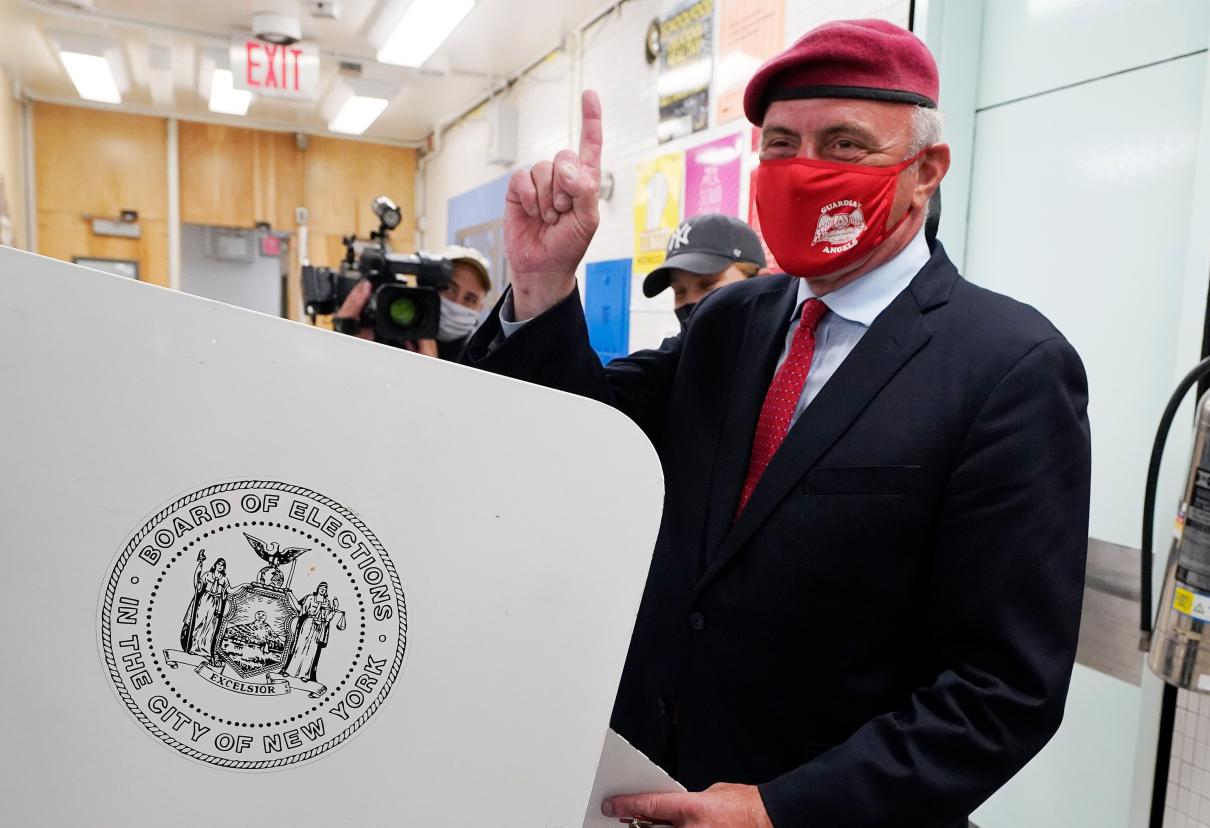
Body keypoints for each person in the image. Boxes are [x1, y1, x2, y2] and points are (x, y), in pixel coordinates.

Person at [463, 19, 1090, 828]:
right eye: (782, 144)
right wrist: (543, 284)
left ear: (925, 170)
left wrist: (781, 810)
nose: (804, 171)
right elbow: (582, 440)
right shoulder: (730, 321)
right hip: (644, 790)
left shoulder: (1008, 367)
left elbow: (1002, 692)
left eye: (844, 144)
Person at [332, 243, 491, 361]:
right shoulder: (389, 329)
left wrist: (433, 372)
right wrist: (345, 337)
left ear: (480, 307)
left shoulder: (481, 356)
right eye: (449, 288)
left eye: (470, 298)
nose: (457, 302)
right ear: (426, 287)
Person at [642, 213, 765, 331]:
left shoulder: (780, 349)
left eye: (708, 284)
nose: (691, 301)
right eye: (679, 291)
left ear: (761, 282)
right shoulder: (683, 350)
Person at [282, 582, 339, 682]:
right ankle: (290, 670)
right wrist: (291, 595)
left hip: (318, 627)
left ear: (326, 591)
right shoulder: (310, 598)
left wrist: (334, 609)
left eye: (325, 589)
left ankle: (305, 674)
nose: (322, 590)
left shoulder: (327, 602)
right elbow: (301, 611)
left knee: (312, 651)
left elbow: (328, 618)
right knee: (300, 647)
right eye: (321, 588)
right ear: (317, 588)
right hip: (308, 623)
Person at [179, 552, 230, 660]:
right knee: (199, 624)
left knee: (211, 627)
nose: (220, 567)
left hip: (216, 603)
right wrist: (200, 565)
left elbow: (227, 592)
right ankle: (194, 648)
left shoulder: (224, 579)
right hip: (205, 601)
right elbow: (199, 584)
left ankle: (205, 651)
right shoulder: (208, 574)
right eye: (219, 564)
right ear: (215, 565)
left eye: (222, 565)